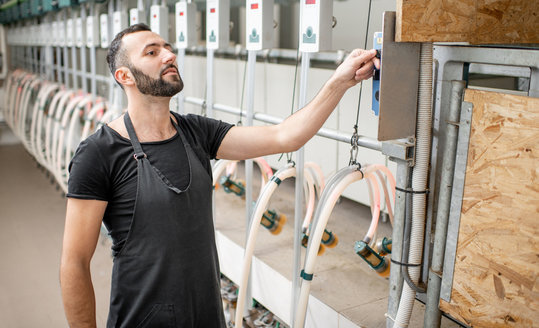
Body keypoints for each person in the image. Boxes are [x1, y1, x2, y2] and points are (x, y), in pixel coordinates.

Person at [60, 23, 379, 328]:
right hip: (143, 319)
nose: (169, 55)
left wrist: (340, 81)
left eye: (168, 48)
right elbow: (75, 262)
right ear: (124, 76)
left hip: (207, 315)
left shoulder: (196, 132)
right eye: (152, 52)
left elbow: (285, 137)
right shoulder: (99, 153)